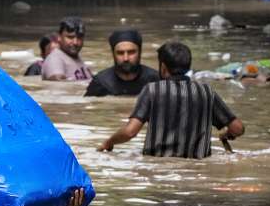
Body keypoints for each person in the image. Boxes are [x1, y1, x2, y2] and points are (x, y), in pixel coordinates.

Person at [98, 40, 245, 158]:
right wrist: (226, 134)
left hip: (158, 168)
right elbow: (238, 128)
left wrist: (108, 142)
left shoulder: (152, 90)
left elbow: (130, 132)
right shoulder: (206, 92)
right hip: (196, 169)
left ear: (163, 67)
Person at [84, 29, 160, 97]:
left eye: (131, 52)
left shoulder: (155, 81)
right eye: (120, 53)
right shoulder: (101, 82)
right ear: (113, 54)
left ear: (140, 52)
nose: (126, 58)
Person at [41, 17, 91, 81]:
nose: (75, 42)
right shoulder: (55, 60)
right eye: (70, 37)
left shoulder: (73, 58)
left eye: (79, 37)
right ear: (59, 37)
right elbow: (58, 88)